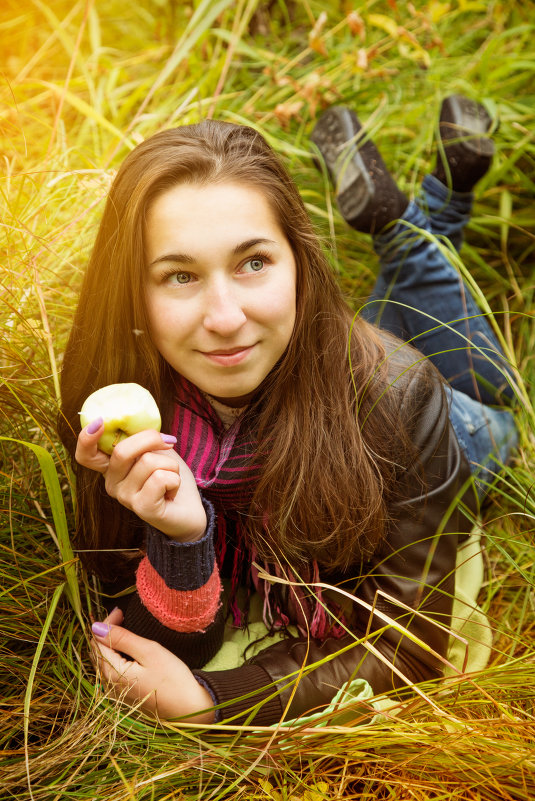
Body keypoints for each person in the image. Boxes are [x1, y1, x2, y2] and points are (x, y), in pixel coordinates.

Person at [59, 95, 518, 726]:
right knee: (385, 320)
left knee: (504, 407)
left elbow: (410, 642)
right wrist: (183, 538)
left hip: (457, 429)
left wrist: (221, 698)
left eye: (254, 263)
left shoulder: (405, 397)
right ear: (134, 293)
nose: (225, 320)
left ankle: (404, 224)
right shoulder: (119, 408)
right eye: (180, 276)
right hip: (334, 359)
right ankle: (423, 214)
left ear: (298, 263)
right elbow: (130, 603)